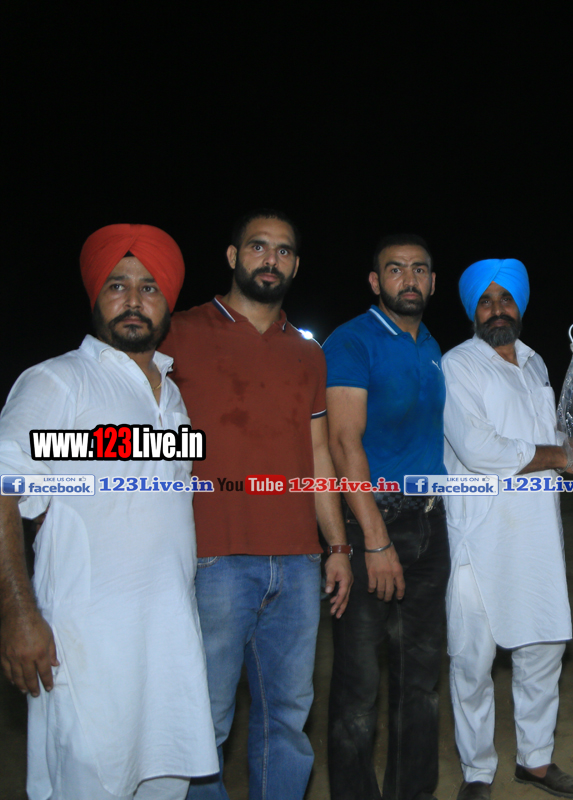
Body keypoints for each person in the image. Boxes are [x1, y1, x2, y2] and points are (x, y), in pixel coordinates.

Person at [0, 224, 217, 799]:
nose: (134, 300)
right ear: (95, 295)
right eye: (117, 285)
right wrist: (18, 614)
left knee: (166, 781)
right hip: (85, 651)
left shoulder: (173, 396)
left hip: (168, 647)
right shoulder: (57, 381)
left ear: (168, 301)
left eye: (149, 287)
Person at [158, 210, 352, 800]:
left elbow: (319, 453)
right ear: (232, 256)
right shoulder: (178, 333)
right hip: (212, 561)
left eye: (284, 251)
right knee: (205, 723)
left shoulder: (307, 352)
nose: (271, 259)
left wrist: (337, 546)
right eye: (258, 247)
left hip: (297, 564)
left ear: (296, 264)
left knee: (287, 721)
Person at [442, 259, 573, 800]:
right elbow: (479, 450)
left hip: (537, 534)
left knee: (542, 647)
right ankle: (477, 771)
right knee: (472, 660)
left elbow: (550, 436)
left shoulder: (536, 364)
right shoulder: (457, 365)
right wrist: (562, 455)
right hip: (478, 538)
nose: (497, 310)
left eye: (506, 299)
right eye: (486, 301)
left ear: (520, 306)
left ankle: (536, 760)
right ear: (473, 311)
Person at [324, 234, 450, 800]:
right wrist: (374, 541)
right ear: (376, 282)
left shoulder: (432, 345)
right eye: (395, 269)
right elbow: (343, 443)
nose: (409, 279)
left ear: (432, 282)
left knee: (420, 684)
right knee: (359, 688)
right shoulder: (352, 340)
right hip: (370, 523)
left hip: (429, 525)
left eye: (419, 269)